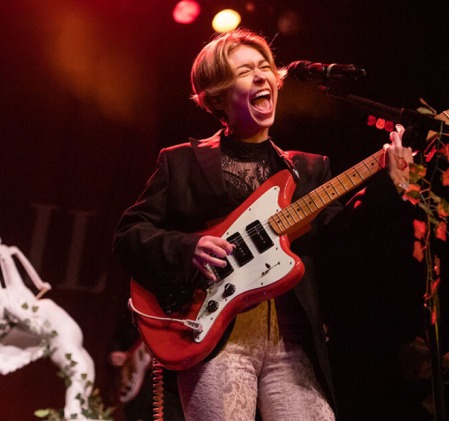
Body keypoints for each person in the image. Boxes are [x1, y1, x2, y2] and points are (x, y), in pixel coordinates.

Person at [113, 28, 412, 421]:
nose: (260, 76)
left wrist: (388, 187)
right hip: (216, 334)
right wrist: (189, 248)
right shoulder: (181, 162)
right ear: (216, 95)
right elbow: (130, 235)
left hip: (292, 341)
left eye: (265, 68)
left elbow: (343, 243)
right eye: (244, 71)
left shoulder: (307, 169)